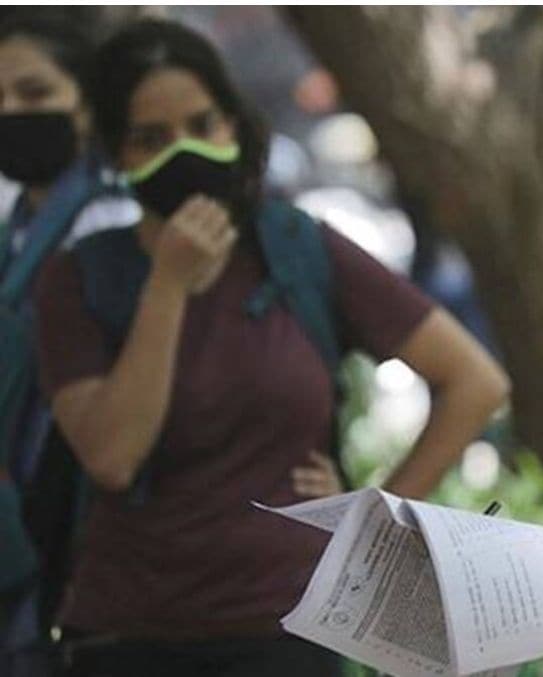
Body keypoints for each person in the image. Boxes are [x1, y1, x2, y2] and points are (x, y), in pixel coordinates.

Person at [33, 18, 509, 677]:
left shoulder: (294, 248)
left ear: (233, 126)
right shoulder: (78, 277)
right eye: (151, 138)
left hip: (287, 630)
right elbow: (113, 457)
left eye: (203, 125)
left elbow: (475, 381)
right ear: (117, 154)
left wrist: (371, 524)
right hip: (128, 634)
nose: (185, 150)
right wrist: (168, 284)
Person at [0, 14, 140, 676]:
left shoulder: (112, 224)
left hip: (75, 530)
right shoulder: (20, 225)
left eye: (34, 93)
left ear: (85, 103)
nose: (11, 113)